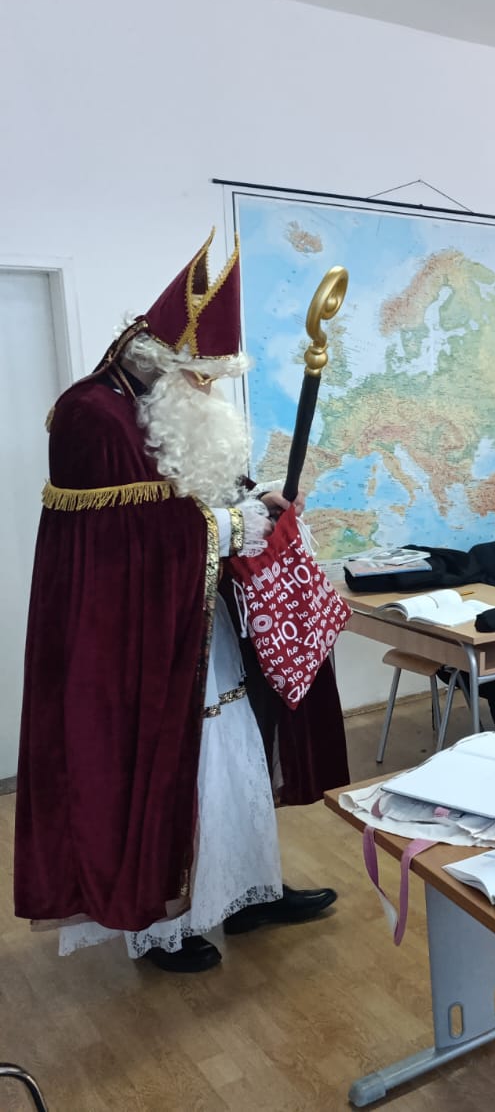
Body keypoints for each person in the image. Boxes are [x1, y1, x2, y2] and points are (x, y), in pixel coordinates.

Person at [13, 232, 338, 974]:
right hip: (132, 641)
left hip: (197, 623)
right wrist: (227, 526)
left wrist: (255, 498)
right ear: (163, 363)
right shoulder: (91, 416)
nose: (209, 394)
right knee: (167, 770)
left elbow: (198, 486)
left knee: (231, 754)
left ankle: (247, 892)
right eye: (201, 378)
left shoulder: (164, 409)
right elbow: (120, 544)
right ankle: (161, 925)